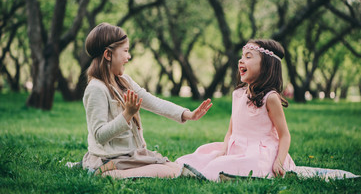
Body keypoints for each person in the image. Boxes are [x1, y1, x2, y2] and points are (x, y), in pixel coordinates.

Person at [81, 22, 212, 179]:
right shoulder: (96, 88)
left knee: (175, 167)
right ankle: (106, 173)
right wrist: (127, 114)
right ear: (108, 55)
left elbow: (152, 101)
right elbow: (100, 135)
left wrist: (187, 114)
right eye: (125, 51)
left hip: (129, 155)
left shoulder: (124, 81)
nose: (128, 56)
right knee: (171, 171)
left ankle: (112, 171)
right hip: (111, 158)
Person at [176, 39, 296, 181]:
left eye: (248, 56)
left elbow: (284, 135)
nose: (241, 60)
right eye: (242, 56)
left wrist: (279, 162)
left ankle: (227, 171)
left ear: (266, 66)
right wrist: (224, 150)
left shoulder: (270, 98)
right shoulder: (238, 94)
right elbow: (231, 132)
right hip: (237, 150)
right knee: (202, 157)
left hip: (260, 154)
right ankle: (222, 168)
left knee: (222, 165)